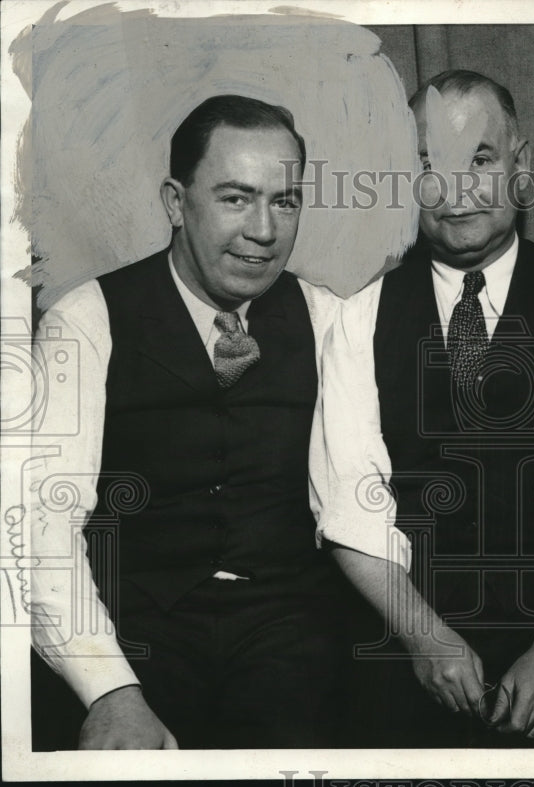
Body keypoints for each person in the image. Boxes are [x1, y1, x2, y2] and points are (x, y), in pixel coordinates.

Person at [312, 69, 534, 746]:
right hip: (408, 627)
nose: (456, 189)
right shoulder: (358, 318)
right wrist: (425, 638)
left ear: (521, 169)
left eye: (481, 160)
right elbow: (349, 503)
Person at [30, 95, 345, 749]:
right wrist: (110, 690)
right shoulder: (87, 319)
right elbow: (41, 522)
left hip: (289, 632)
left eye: (284, 201)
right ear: (176, 202)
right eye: (236, 198)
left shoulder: (328, 318)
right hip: (134, 628)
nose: (264, 229)